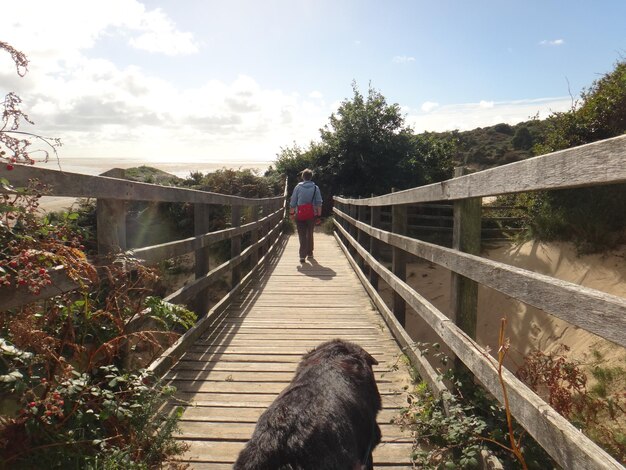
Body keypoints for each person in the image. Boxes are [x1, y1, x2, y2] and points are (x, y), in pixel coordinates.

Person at [289, 169, 323, 263]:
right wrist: (319, 216)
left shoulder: (297, 187)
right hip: (312, 214)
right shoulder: (316, 188)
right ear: (311, 177)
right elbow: (319, 203)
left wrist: (291, 213)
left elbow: (293, 202)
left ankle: (302, 256)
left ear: (302, 177)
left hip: (299, 214)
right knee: (310, 233)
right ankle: (310, 253)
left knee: (302, 234)